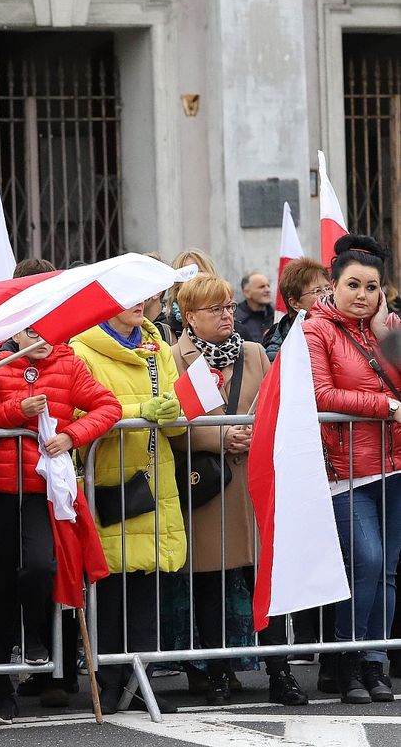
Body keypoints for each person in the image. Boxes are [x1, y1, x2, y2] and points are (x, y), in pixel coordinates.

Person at [172, 273, 307, 706]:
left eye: (229, 306)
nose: (226, 315)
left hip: (251, 485)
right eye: (215, 309)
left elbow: (273, 405)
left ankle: (279, 672)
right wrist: (219, 437)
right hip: (210, 487)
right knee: (211, 583)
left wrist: (254, 433)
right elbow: (169, 424)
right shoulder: (175, 357)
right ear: (189, 316)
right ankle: (217, 671)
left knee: (262, 581)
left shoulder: (252, 353)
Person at [0, 328, 120, 718]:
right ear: (17, 334)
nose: (42, 339)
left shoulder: (68, 363)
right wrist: (17, 412)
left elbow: (109, 407)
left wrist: (72, 436)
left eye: (49, 330)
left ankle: (35, 635)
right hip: (0, 492)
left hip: (44, 492)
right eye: (32, 331)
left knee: (42, 567)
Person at [70, 302, 187, 715]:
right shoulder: (82, 350)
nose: (139, 304)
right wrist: (138, 413)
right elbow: (77, 414)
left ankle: (142, 683)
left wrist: (175, 415)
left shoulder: (157, 346)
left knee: (146, 584)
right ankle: (108, 681)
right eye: (126, 297)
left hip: (156, 480)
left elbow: (176, 415)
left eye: (142, 296)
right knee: (112, 585)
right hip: (109, 478)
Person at [302, 233, 401, 705]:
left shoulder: (388, 329)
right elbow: (322, 396)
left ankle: (374, 665)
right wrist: (385, 405)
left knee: (387, 571)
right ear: (334, 285)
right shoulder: (314, 329)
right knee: (366, 562)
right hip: (346, 469)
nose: (362, 295)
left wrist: (388, 336)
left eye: (372, 286)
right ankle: (346, 662)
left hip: (395, 467)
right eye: (353, 285)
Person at [264, 258, 330, 360]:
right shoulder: (279, 349)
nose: (327, 295)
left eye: (328, 288)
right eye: (317, 291)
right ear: (295, 303)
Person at [166, 249, 218, 335]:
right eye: (189, 274)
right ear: (177, 285)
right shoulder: (166, 331)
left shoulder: (229, 325)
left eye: (200, 272)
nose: (196, 279)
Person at [234, 272, 274, 344]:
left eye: (268, 286)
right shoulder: (235, 320)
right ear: (247, 293)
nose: (268, 290)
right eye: (262, 287)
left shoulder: (278, 317)